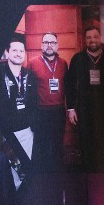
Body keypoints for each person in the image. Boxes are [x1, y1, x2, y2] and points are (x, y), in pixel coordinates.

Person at [0, 36, 40, 168]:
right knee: (7, 168)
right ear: (7, 52)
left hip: (26, 131)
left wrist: (32, 125)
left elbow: (34, 102)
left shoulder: (30, 75)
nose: (18, 54)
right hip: (6, 131)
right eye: (14, 50)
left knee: (25, 167)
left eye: (21, 51)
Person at [65, 23, 104, 172]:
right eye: (88, 37)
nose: (92, 40)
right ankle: (88, 173)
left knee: (103, 142)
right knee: (86, 144)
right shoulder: (78, 59)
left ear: (100, 38)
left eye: (95, 37)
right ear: (85, 40)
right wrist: (71, 108)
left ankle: (103, 173)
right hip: (84, 109)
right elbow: (70, 84)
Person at [31, 30, 69, 170]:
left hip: (58, 111)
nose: (49, 45)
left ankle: (57, 174)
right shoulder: (33, 63)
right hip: (40, 112)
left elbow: (68, 87)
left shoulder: (63, 63)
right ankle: (44, 176)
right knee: (42, 146)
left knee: (58, 144)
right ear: (41, 45)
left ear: (57, 45)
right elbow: (29, 91)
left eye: (52, 42)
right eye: (46, 42)